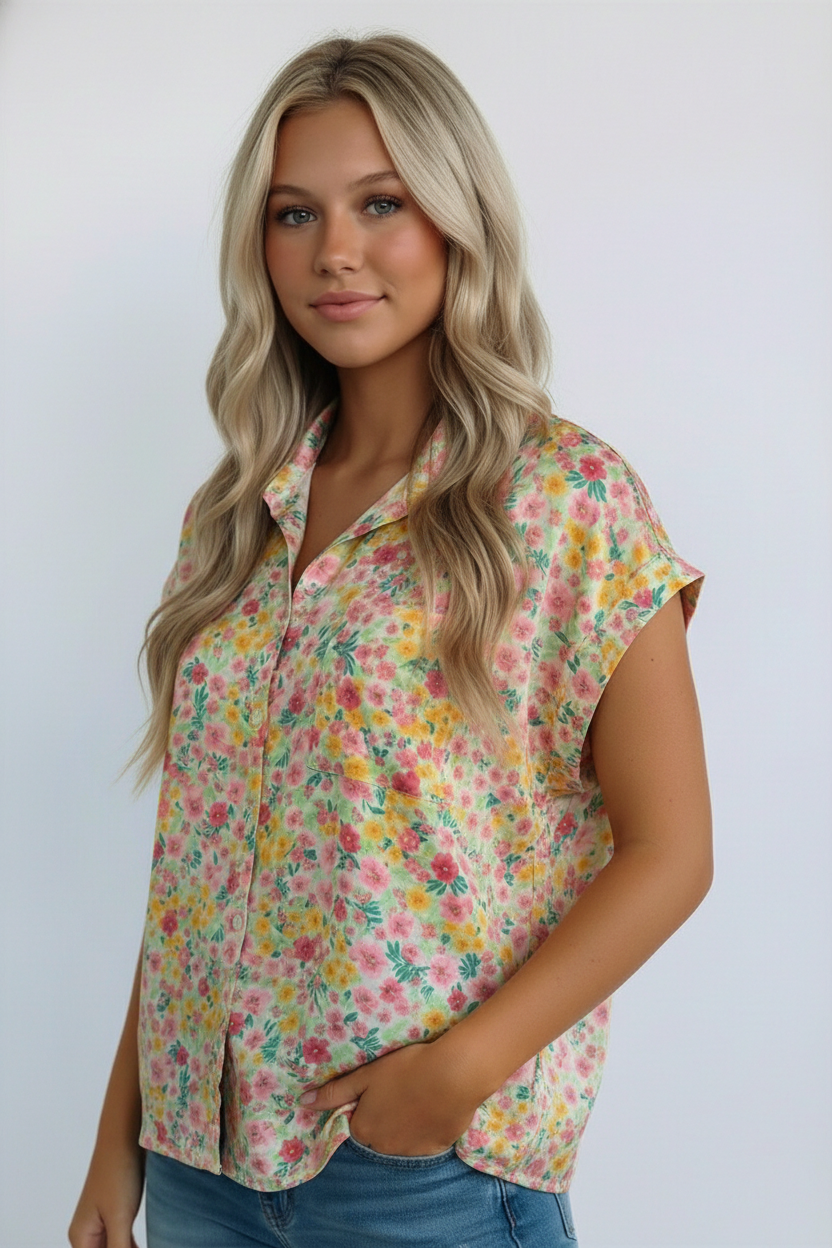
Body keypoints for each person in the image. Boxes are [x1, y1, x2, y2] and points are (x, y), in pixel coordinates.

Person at [68, 32, 712, 1248]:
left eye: (382, 202)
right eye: (294, 213)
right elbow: (204, 871)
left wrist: (455, 1075)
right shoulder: (236, 517)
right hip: (199, 1165)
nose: (337, 252)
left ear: (457, 217)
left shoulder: (567, 499)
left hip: (419, 1177)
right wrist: (119, 1142)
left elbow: (671, 851)